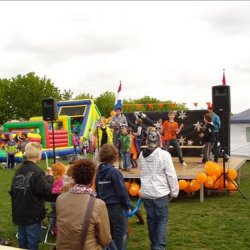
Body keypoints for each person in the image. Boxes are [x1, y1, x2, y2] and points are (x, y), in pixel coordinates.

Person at [138, 127, 179, 250]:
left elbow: (141, 169)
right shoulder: (164, 155)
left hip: (147, 193)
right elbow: (171, 175)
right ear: (159, 140)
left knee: (151, 219)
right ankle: (158, 247)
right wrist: (174, 192)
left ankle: (154, 245)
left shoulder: (141, 155)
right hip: (160, 193)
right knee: (161, 220)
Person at [56, 159, 111, 250]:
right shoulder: (98, 204)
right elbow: (105, 240)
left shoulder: (60, 199)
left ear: (74, 177)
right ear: (93, 178)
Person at [9, 142, 54, 250]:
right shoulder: (38, 172)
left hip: (19, 211)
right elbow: (45, 191)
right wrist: (49, 178)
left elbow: (12, 190)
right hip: (32, 213)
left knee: (22, 241)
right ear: (38, 155)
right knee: (33, 242)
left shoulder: (19, 170)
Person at [95, 144, 131, 250]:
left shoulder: (98, 172)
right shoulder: (114, 172)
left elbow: (97, 189)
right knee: (120, 233)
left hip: (102, 207)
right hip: (115, 206)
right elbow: (121, 191)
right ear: (114, 156)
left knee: (107, 233)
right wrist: (127, 205)